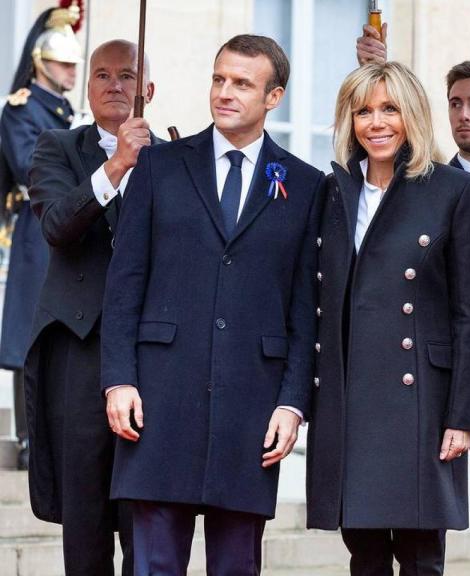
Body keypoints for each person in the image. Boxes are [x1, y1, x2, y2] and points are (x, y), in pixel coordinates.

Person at [101, 34, 322, 574]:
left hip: (253, 408)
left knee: (236, 566)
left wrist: (293, 404)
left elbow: (304, 308)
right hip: (158, 399)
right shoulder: (158, 166)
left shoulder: (306, 185)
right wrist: (118, 380)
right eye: (219, 79)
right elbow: (125, 283)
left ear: (274, 97)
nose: (225, 92)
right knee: (153, 565)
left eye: (242, 83)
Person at [358, 35, 470, 576]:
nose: (463, 114)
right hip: (435, 381)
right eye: (454, 103)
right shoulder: (423, 187)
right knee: (422, 527)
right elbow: (373, 157)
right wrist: (378, 69)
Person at [305, 61, 470, 576]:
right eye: (363, 111)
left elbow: (468, 315)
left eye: (390, 109)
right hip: (349, 400)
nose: (376, 123)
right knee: (363, 555)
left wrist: (462, 417)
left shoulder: (452, 190)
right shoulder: (332, 192)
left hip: (422, 402)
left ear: (413, 115)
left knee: (422, 556)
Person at [24, 38, 153, 576]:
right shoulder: (57, 147)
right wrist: (118, 164)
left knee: (146, 517)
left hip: (149, 355)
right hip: (79, 351)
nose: (114, 85)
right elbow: (57, 225)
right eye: (102, 74)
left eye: (127, 75)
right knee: (85, 515)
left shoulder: (173, 158)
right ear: (88, 87)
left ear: (147, 90)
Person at [0, 5, 80, 470]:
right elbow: (29, 167)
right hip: (36, 228)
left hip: (69, 226)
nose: (72, 72)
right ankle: (29, 437)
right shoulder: (22, 109)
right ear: (40, 63)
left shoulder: (66, 112)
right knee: (31, 333)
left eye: (73, 64)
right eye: (63, 64)